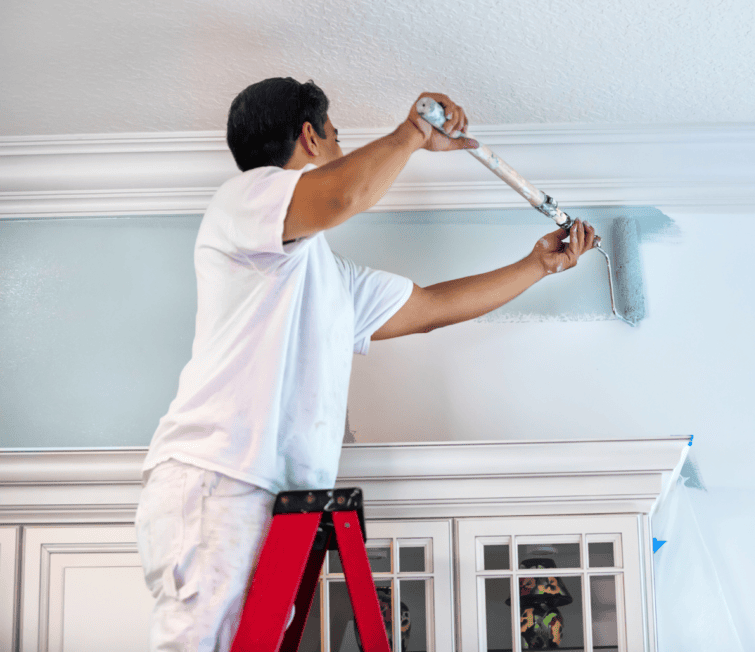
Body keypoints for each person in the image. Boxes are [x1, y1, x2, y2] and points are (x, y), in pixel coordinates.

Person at [133, 77, 597, 651]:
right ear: (309, 137)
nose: (339, 147)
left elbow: (429, 308)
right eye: (335, 135)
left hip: (275, 499)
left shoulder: (324, 279)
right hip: (220, 477)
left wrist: (537, 266)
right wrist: (412, 134)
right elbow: (341, 197)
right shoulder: (244, 199)